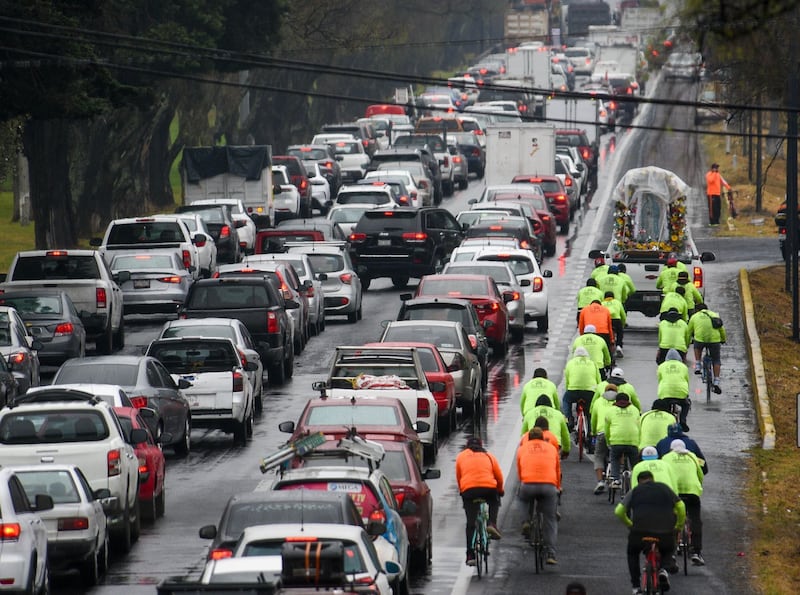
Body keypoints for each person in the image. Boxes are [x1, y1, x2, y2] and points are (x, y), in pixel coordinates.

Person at [615, 470, 686, 594]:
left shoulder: (635, 491)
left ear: (638, 482)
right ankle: (663, 569)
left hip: (639, 531)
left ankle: (636, 587)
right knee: (668, 549)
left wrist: (630, 524)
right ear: (653, 479)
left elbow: (619, 511)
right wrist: (678, 525)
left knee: (632, 553)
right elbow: (681, 507)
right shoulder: (665, 488)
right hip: (664, 532)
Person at [455, 437, 504, 566]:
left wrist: (462, 491)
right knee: (494, 501)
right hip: (488, 488)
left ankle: (470, 554)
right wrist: (500, 491)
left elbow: (459, 477)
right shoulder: (489, 456)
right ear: (482, 447)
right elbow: (498, 476)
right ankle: (491, 523)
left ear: (467, 447)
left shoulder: (461, 457)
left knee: (470, 523)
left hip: (469, 490)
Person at [516, 426, 561, 565]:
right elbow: (557, 470)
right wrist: (558, 488)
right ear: (543, 437)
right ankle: (551, 553)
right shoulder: (552, 449)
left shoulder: (522, 448)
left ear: (529, 438)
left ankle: (525, 521)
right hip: (548, 485)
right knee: (550, 520)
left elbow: (520, 470)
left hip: (528, 483)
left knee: (522, 498)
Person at [663, 439, 706, 566]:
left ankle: (670, 552)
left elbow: (664, 475)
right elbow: (700, 474)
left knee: (671, 519)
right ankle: (696, 552)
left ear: (671, 449)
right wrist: (697, 486)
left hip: (674, 492)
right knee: (695, 520)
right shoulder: (692, 456)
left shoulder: (666, 458)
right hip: (692, 491)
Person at [687, 302, 727, 394]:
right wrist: (723, 339)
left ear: (697, 310)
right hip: (714, 341)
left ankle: (697, 365)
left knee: (697, 346)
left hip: (700, 340)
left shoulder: (694, 316)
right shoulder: (714, 314)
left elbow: (689, 331)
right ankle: (716, 380)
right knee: (716, 359)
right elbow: (721, 329)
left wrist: (688, 342)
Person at [604, 392, 640, 487]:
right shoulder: (635, 410)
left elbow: (607, 430)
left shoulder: (610, 410)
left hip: (616, 440)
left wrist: (608, 442)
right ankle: (636, 480)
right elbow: (639, 427)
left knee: (615, 458)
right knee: (635, 463)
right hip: (633, 441)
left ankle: (616, 479)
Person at [562, 346, 601, 429]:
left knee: (565, 400)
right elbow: (599, 381)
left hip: (573, 390)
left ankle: (569, 419)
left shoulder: (570, 363)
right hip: (590, 391)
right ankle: (591, 429)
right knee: (590, 411)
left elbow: (567, 381)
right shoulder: (593, 363)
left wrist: (568, 390)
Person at [589, 384, 618, 494]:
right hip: (615, 434)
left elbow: (593, 419)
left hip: (601, 432)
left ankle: (600, 481)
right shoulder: (620, 403)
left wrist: (593, 431)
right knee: (616, 454)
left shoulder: (598, 401)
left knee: (599, 455)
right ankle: (616, 476)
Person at [657, 348, 691, 431]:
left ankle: (665, 422)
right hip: (681, 393)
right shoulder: (684, 367)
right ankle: (683, 420)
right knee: (686, 404)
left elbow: (659, 379)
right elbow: (686, 380)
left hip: (665, 393)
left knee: (664, 408)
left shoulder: (661, 366)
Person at [602, 290, 626, 359]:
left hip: (606, 320)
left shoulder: (602, 303)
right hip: (616, 320)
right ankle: (619, 345)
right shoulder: (617, 302)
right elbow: (623, 314)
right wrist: (623, 323)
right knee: (620, 332)